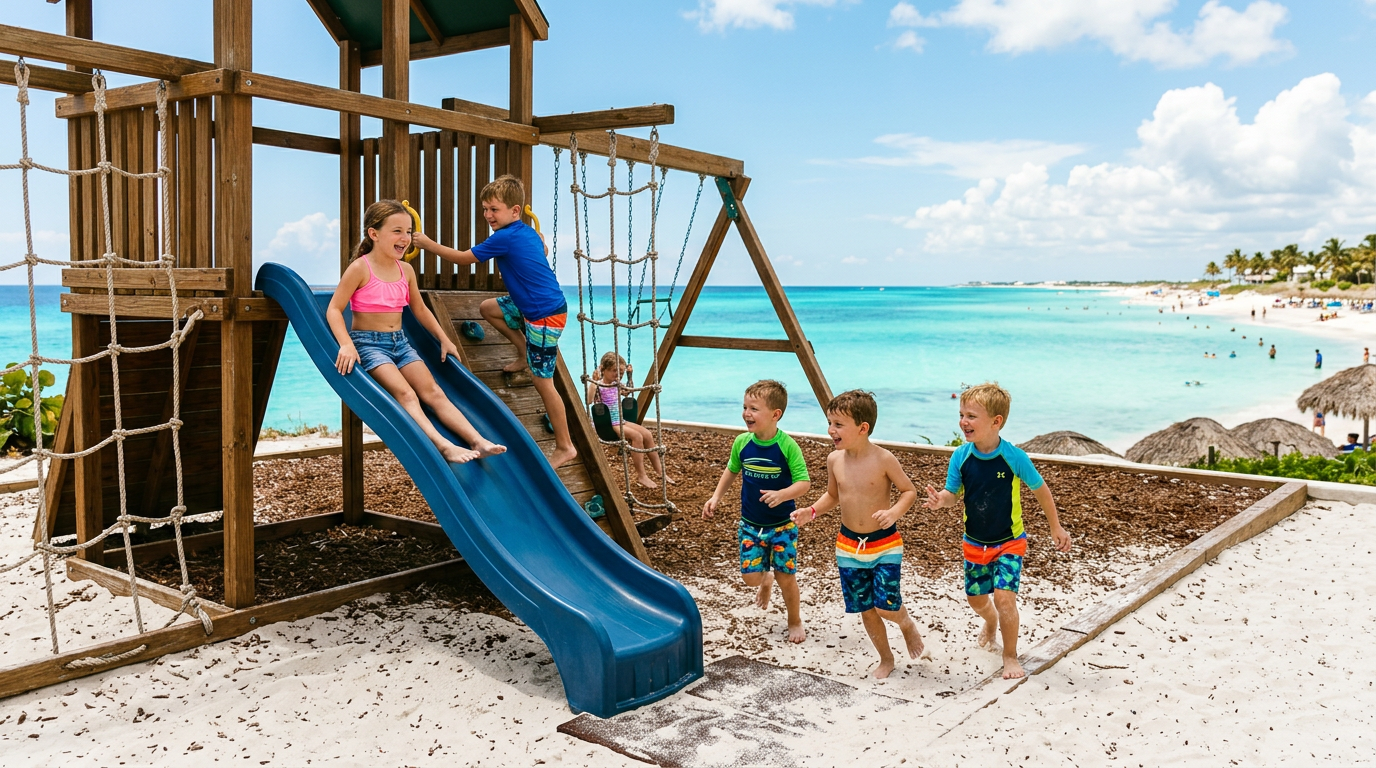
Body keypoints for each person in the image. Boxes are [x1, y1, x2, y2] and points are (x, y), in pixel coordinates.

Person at [412, 175, 577, 468]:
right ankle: (523, 350)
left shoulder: (505, 236)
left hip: (545, 316)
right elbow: (543, 250)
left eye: (494, 210)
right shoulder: (527, 232)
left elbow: (464, 258)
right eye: (485, 209)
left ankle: (565, 446)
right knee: (490, 308)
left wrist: (426, 243)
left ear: (515, 211)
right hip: (534, 308)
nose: (488, 215)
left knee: (544, 383)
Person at [327, 199, 506, 465]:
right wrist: (346, 344)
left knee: (433, 392)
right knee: (407, 394)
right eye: (397, 230)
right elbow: (334, 309)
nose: (405, 238)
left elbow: (421, 310)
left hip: (401, 343)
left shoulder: (406, 270)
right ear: (373, 234)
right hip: (369, 346)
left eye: (408, 231)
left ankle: (477, 439)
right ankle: (444, 446)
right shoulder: (360, 268)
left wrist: (444, 339)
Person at [923, 382, 1071, 680]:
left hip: (1009, 542)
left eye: (971, 416)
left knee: (1005, 598)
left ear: (996, 421)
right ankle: (989, 621)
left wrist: (1055, 526)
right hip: (975, 543)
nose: (963, 421)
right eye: (961, 414)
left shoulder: (1014, 457)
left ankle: (1010, 655)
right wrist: (941, 500)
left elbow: (1041, 490)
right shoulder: (960, 457)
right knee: (977, 600)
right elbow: (953, 494)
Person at [791, 391, 925, 679]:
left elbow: (909, 491)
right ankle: (886, 658)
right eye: (829, 422)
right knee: (866, 608)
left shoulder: (884, 459)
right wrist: (811, 512)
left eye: (839, 424)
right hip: (848, 545)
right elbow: (831, 495)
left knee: (886, 606)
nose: (831, 430)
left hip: (885, 543)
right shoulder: (834, 460)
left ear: (863, 428)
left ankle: (905, 623)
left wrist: (893, 514)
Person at [703, 380, 811, 643]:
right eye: (744, 407)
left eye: (754, 408)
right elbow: (731, 470)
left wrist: (783, 494)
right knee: (750, 578)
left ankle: (794, 620)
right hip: (751, 525)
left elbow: (804, 483)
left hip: (783, 526)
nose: (746, 413)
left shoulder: (786, 446)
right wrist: (716, 496)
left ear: (776, 414)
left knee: (787, 578)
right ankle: (765, 580)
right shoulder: (742, 443)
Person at [585, 351, 671, 489]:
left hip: (621, 420)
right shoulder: (599, 385)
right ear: (603, 369)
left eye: (621, 372)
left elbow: (629, 391)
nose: (618, 375)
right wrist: (593, 382)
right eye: (614, 371)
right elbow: (589, 400)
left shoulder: (617, 383)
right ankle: (642, 475)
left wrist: (630, 375)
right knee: (637, 436)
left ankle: (660, 470)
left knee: (647, 434)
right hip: (609, 423)